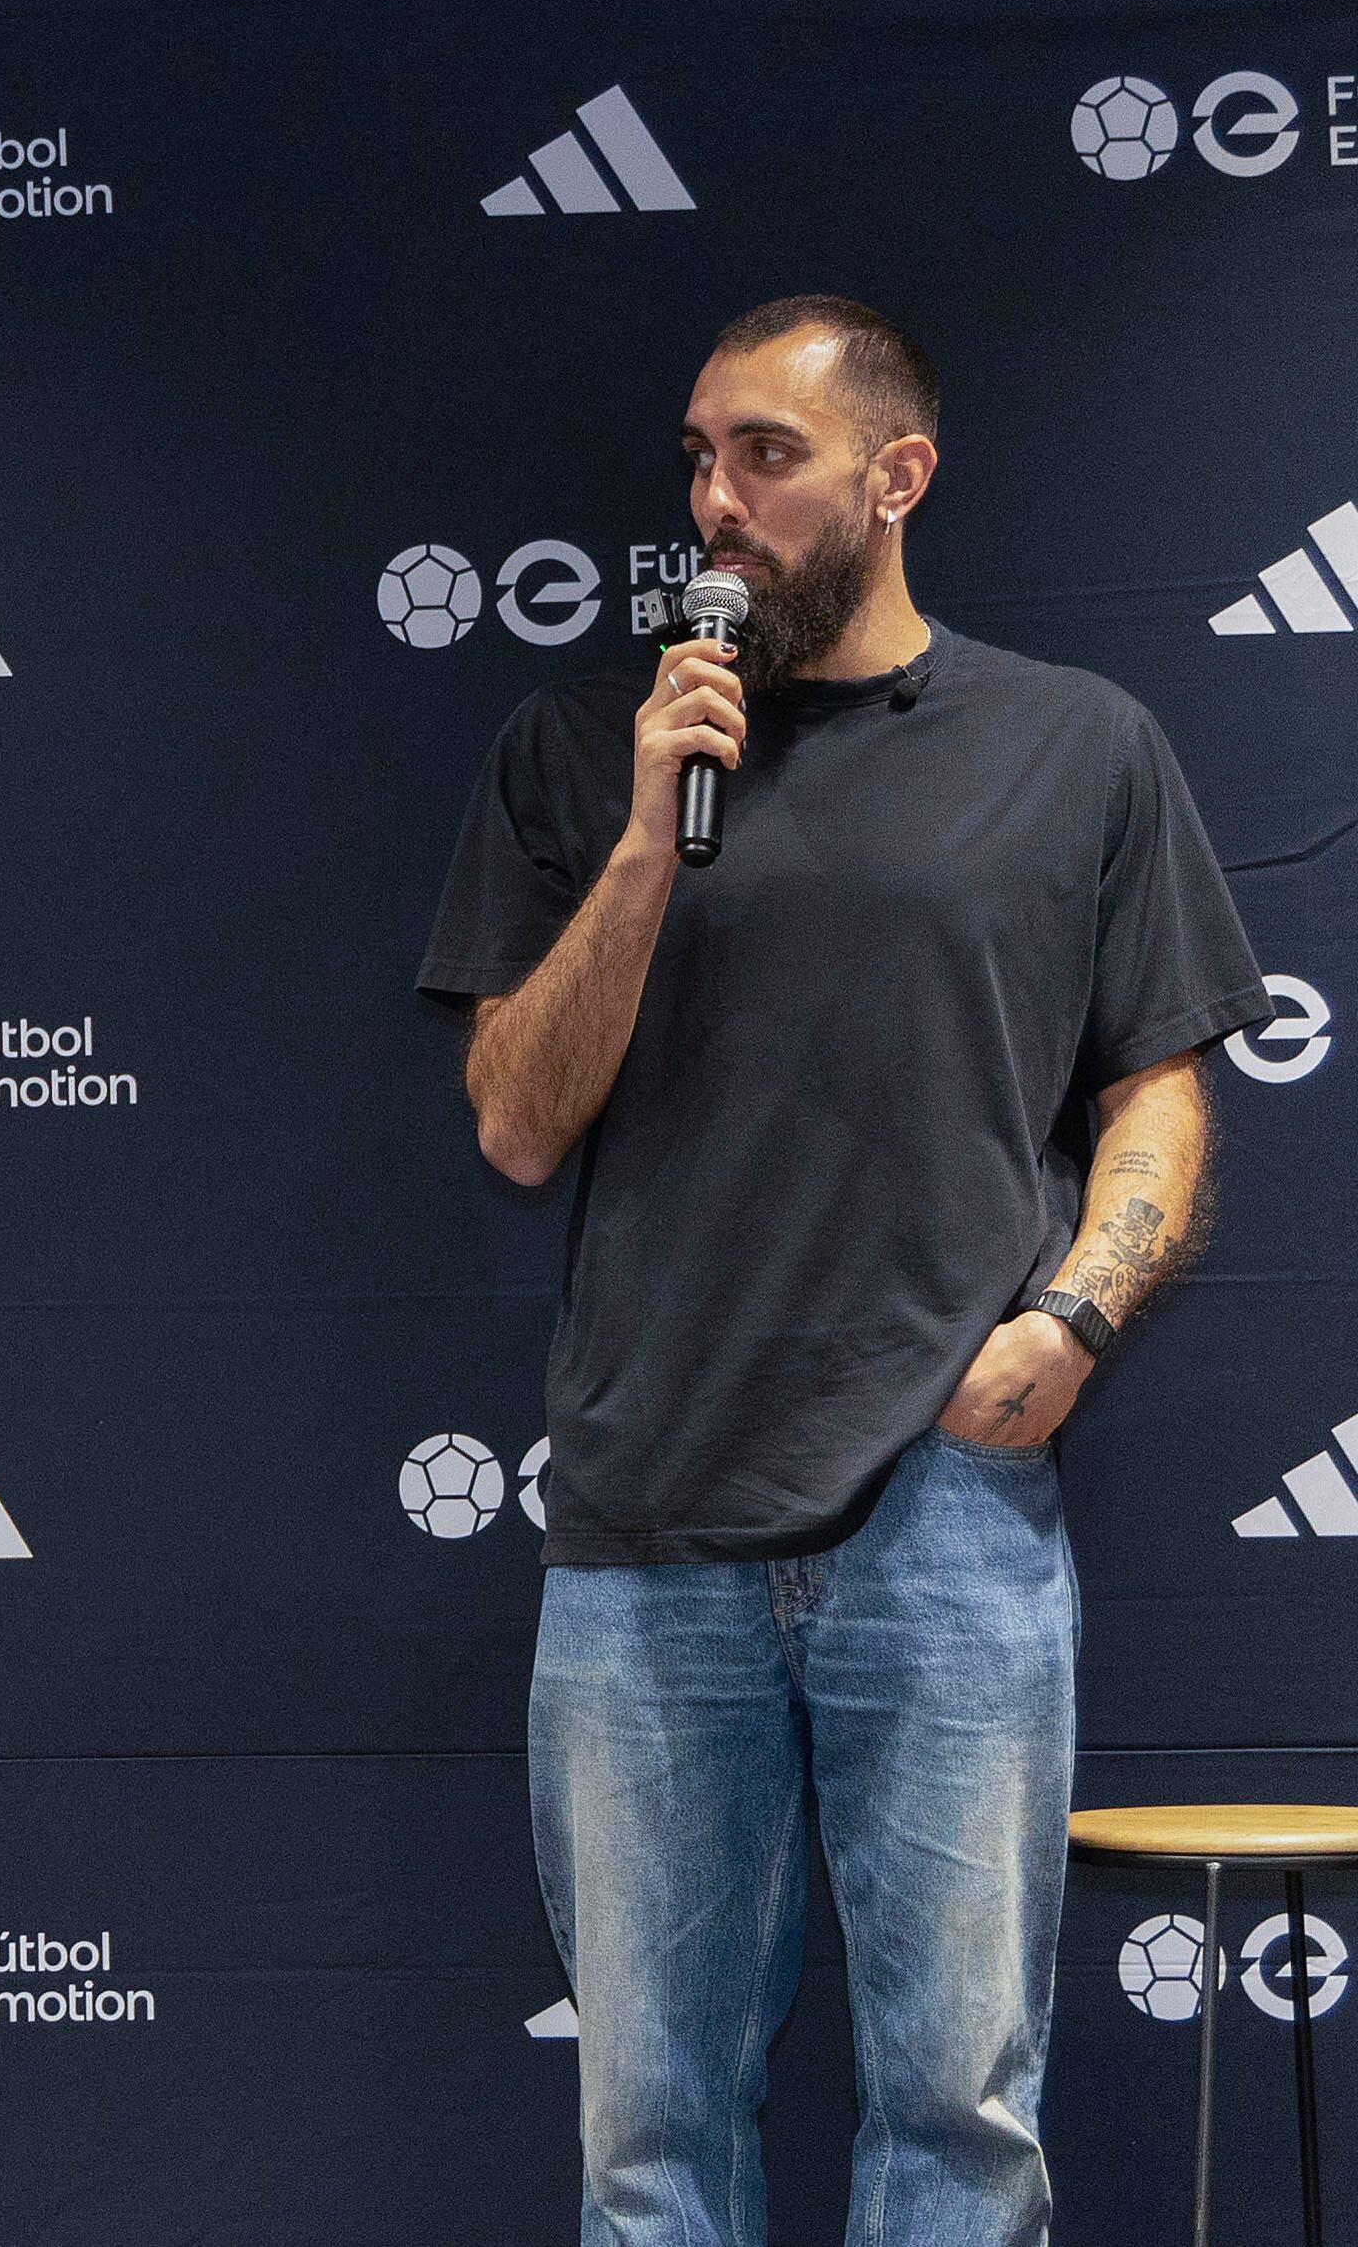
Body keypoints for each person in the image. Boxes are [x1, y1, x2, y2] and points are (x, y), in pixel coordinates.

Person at [417, 296, 1271, 2245]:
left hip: (945, 1514)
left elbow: (1160, 1092)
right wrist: (647, 837)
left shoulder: (1077, 744)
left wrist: (1065, 1320)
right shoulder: (577, 749)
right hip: (643, 1533)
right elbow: (518, 1121)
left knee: (958, 2121)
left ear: (898, 476)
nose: (712, 503)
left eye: (766, 457)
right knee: (651, 2140)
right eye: (696, 458)